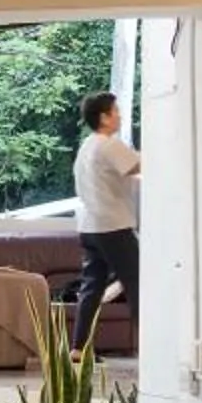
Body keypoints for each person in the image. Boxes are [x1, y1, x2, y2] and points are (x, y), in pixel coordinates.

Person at [71, 91, 140, 349]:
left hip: (90, 227)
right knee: (137, 284)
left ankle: (78, 348)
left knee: (92, 287)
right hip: (113, 226)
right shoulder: (109, 145)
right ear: (104, 117)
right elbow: (139, 166)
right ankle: (151, 352)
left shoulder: (87, 146)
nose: (120, 115)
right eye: (116, 111)